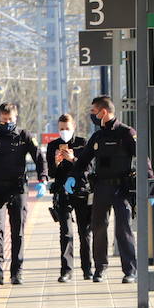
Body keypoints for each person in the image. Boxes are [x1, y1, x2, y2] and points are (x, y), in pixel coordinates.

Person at [0, 102, 47, 285]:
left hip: (18, 189)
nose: (7, 122)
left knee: (18, 232)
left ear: (16, 118)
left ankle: (17, 272)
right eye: (4, 119)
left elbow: (39, 156)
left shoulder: (24, 136)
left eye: (10, 119)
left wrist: (43, 178)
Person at [77, 95, 138, 283]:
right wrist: (72, 176)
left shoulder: (127, 133)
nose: (92, 115)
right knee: (99, 228)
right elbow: (83, 161)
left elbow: (142, 157)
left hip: (122, 189)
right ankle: (100, 269)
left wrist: (151, 181)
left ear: (104, 112)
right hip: (102, 187)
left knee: (123, 229)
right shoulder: (97, 136)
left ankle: (130, 271)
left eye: (93, 112)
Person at [46, 113, 92, 282]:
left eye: (67, 129)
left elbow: (89, 168)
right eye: (61, 129)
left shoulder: (83, 143)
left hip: (80, 191)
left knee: (84, 231)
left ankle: (87, 269)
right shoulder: (53, 146)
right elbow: (51, 172)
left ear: (74, 127)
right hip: (61, 192)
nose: (64, 132)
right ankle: (66, 270)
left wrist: (74, 159)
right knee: (65, 233)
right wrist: (57, 162)